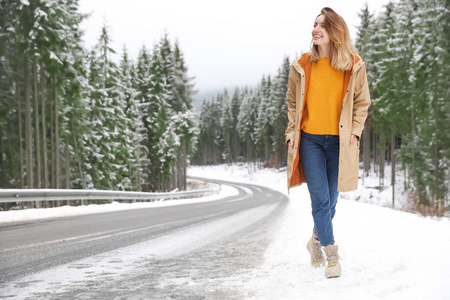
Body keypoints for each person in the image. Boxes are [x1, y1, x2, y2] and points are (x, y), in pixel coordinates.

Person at [285, 7, 371, 279]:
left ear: (335, 32)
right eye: (315, 24)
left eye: (322, 25)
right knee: (320, 200)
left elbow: (362, 103)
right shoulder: (302, 65)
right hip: (309, 141)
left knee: (332, 201)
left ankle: (314, 239)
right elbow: (291, 102)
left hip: (339, 143)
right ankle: (331, 254)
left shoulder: (353, 65)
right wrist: (291, 130)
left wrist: (356, 131)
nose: (316, 29)